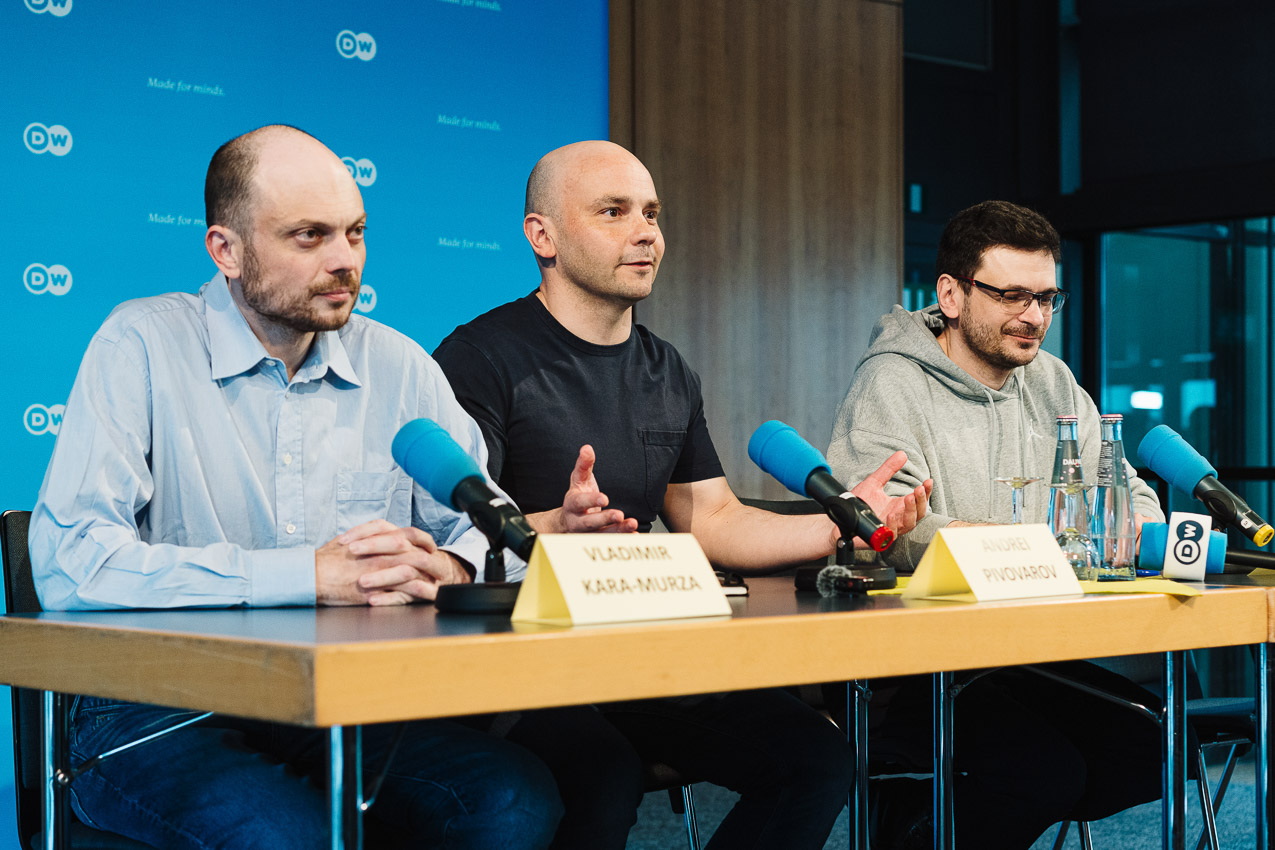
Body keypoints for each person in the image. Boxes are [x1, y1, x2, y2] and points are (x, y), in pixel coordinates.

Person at [29, 125, 563, 850]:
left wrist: (455, 567)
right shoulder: (140, 345)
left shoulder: (400, 365)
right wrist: (306, 575)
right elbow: (70, 563)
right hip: (156, 707)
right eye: (309, 236)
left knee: (511, 802)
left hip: (339, 701)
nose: (345, 260)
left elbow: (494, 532)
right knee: (295, 839)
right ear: (226, 250)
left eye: (355, 233)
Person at [433, 139, 932, 850]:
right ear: (542, 236)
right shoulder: (478, 358)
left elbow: (712, 517)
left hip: (637, 660)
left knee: (816, 758)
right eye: (613, 212)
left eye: (652, 213)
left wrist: (838, 525)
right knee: (602, 775)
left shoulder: (666, 369)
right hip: (518, 670)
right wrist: (553, 527)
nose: (645, 233)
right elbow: (450, 534)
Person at [826, 199, 1166, 848]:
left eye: (1046, 298)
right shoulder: (891, 382)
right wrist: (1023, 547)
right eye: (1011, 296)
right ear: (951, 295)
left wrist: (1136, 527)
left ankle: (933, 822)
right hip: (918, 664)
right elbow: (885, 525)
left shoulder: (1052, 380)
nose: (1034, 317)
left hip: (1025, 651)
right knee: (1044, 773)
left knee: (1154, 746)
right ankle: (913, 826)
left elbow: (1123, 490)